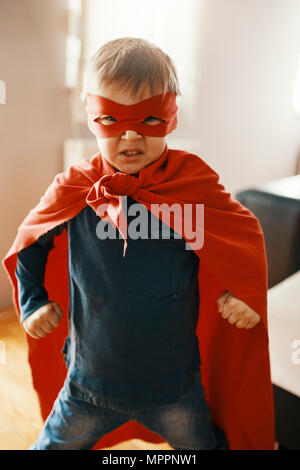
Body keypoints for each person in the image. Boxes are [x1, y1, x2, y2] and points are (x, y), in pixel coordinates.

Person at [2, 37, 275, 450]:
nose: (131, 133)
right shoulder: (77, 187)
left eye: (150, 119)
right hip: (86, 387)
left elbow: (239, 234)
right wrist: (33, 300)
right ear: (91, 118)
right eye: (111, 119)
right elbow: (31, 241)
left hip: (175, 389)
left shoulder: (190, 183)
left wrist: (244, 292)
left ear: (172, 117)